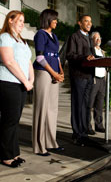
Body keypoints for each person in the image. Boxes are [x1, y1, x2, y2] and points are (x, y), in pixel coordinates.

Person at [0, 10, 34, 167]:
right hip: (8, 83)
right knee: (8, 120)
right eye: (19, 20)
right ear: (10, 20)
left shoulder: (22, 41)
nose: (22, 24)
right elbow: (9, 61)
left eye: (23, 21)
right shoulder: (4, 38)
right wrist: (25, 80)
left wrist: (31, 79)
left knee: (15, 120)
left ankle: (14, 153)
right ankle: (5, 155)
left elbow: (28, 62)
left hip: (21, 84)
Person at [32, 9, 64, 156]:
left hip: (54, 73)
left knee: (52, 109)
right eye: (54, 19)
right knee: (41, 109)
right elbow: (39, 57)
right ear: (48, 19)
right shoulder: (40, 34)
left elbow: (56, 57)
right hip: (43, 73)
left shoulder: (54, 36)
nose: (56, 21)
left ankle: (51, 142)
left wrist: (61, 72)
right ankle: (39, 146)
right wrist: (54, 73)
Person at [66, 15, 95, 147]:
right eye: (86, 21)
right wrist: (85, 57)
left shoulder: (90, 38)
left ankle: (84, 132)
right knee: (78, 105)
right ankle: (77, 134)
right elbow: (70, 55)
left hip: (89, 76)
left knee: (85, 105)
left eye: (90, 21)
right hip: (78, 75)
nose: (89, 23)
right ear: (79, 23)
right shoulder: (74, 37)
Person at [87, 32, 106, 134]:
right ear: (92, 40)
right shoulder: (90, 51)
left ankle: (99, 125)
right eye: (96, 38)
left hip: (102, 80)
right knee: (89, 104)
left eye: (100, 38)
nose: (98, 40)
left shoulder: (103, 52)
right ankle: (88, 126)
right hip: (93, 79)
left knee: (99, 105)